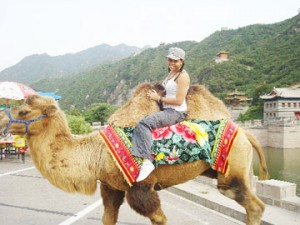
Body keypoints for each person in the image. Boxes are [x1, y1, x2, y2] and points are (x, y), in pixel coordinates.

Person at [132, 47, 190, 182]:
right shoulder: (171, 73)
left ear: (182, 61)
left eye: (175, 61)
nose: (172, 63)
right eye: (170, 59)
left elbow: (179, 100)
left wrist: (158, 98)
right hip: (167, 109)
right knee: (141, 120)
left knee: (144, 123)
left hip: (176, 112)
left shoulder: (183, 76)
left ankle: (147, 161)